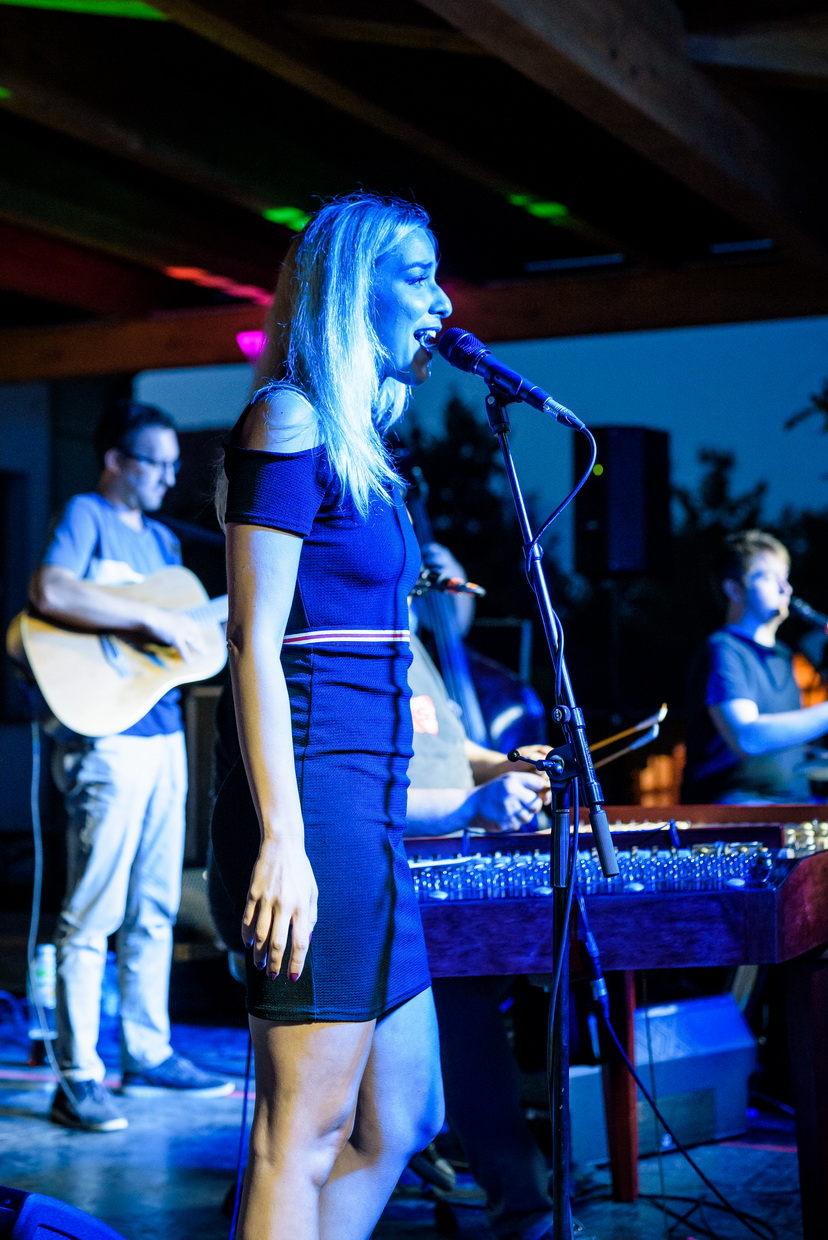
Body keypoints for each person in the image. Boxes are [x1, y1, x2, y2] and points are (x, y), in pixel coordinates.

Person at [210, 193, 452, 1240]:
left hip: (371, 807)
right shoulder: (288, 419)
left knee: (403, 1118)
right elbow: (251, 641)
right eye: (419, 276)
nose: (444, 302)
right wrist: (283, 840)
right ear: (354, 290)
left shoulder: (364, 451)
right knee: (299, 1134)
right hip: (316, 806)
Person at [29, 401, 232, 1134]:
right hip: (105, 739)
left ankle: (147, 1051)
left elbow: (186, 644)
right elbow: (51, 592)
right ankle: (77, 1074)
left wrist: (196, 626)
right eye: (157, 463)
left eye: (176, 465)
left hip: (163, 734)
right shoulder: (87, 515)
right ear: (115, 460)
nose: (170, 477)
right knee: (94, 909)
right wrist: (151, 619)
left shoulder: (166, 545)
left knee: (153, 906)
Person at [405, 630, 555, 1240]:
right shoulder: (349, 628)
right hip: (401, 875)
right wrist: (472, 804)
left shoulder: (410, 638)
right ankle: (525, 1208)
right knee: (467, 1018)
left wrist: (509, 765)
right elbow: (351, 790)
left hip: (453, 861)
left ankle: (529, 1195)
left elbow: (449, 746)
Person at [682, 529, 828, 804]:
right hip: (737, 808)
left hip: (794, 804)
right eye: (770, 577)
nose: (786, 589)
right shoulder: (724, 649)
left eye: (785, 578)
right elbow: (747, 738)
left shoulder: (784, 654)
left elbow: (785, 739)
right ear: (734, 589)